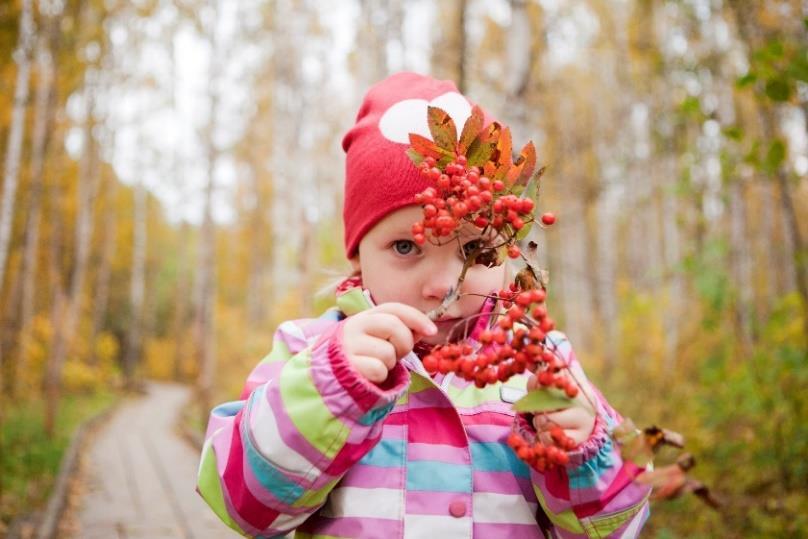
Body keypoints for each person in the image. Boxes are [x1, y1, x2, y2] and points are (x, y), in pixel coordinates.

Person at [196, 72, 651, 538]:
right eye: (406, 248)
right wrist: (330, 388)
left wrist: (583, 453)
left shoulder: (538, 360)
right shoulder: (311, 351)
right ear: (358, 255)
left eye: (476, 251)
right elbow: (243, 506)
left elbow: (616, 528)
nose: (441, 286)